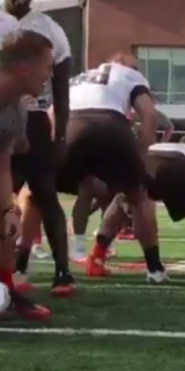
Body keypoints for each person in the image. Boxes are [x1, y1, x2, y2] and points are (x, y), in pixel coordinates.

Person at [0, 0, 75, 296]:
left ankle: (63, 271)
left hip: (34, 117)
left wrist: (61, 132)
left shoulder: (49, 28)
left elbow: (61, 84)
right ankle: (0, 272)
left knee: (45, 193)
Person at [62, 52, 169, 283]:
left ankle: (20, 261)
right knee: (138, 197)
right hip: (109, 126)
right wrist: (142, 155)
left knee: (35, 192)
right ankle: (155, 269)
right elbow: (149, 116)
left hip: (70, 125)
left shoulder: (79, 78)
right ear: (123, 65)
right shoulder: (129, 75)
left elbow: (54, 113)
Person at [86, 135, 185, 283]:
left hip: (143, 159)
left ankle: (96, 258)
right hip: (179, 164)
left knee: (123, 200)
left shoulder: (164, 146)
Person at [0, 31, 54, 322]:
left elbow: (0, 164)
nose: (49, 76)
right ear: (24, 68)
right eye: (47, 67)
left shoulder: (17, 109)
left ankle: (2, 288)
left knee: (5, 222)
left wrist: (7, 209)